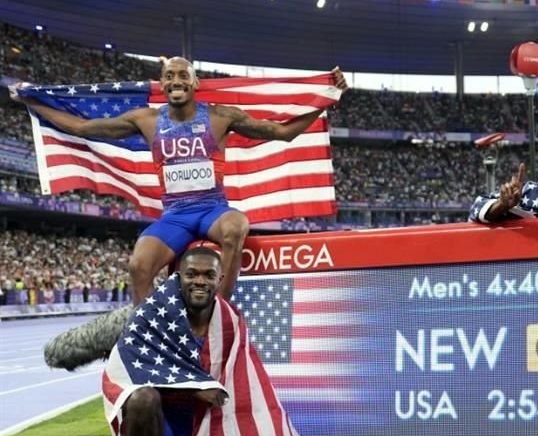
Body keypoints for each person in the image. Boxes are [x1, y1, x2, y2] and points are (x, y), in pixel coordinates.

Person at [13, 57, 349, 304]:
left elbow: (282, 132)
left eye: (183, 75)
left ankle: (222, 307)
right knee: (138, 265)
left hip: (212, 210)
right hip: (175, 217)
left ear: (195, 83)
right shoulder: (145, 120)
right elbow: (83, 128)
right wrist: (33, 102)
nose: (176, 80)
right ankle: (147, 332)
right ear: (162, 83)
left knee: (236, 227)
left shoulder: (220, 116)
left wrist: (325, 98)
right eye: (169, 75)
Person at [102, 245, 319, 436]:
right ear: (179, 277)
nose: (199, 281)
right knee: (142, 399)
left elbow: (243, 382)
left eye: (208, 275)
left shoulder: (230, 322)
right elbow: (123, 371)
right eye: (191, 274)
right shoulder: (153, 314)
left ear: (221, 279)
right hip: (161, 425)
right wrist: (193, 389)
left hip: (205, 427)